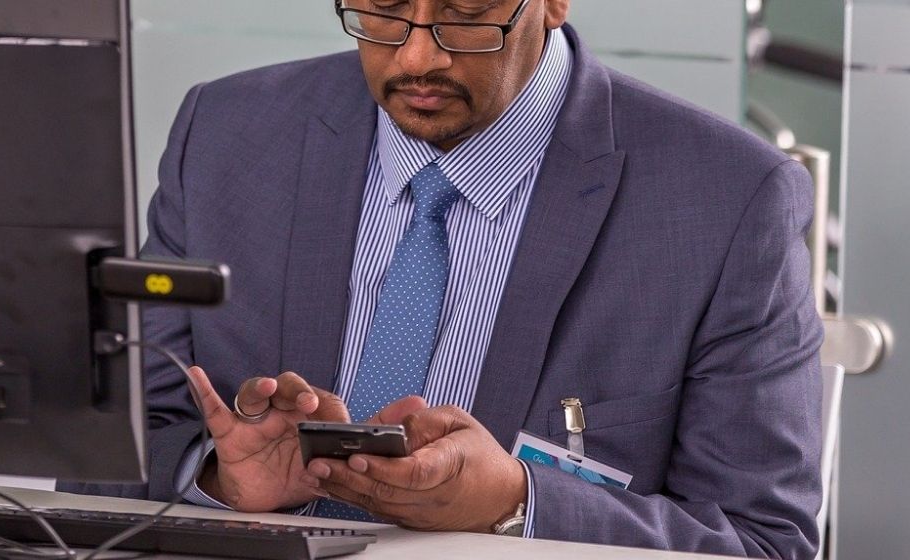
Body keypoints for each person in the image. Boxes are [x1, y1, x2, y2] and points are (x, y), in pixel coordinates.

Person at [65, 0, 824, 557]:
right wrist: (223, 484)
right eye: (384, 10)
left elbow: (764, 542)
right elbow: (100, 461)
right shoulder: (226, 135)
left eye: (467, 13)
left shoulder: (727, 201)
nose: (416, 57)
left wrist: (517, 508)